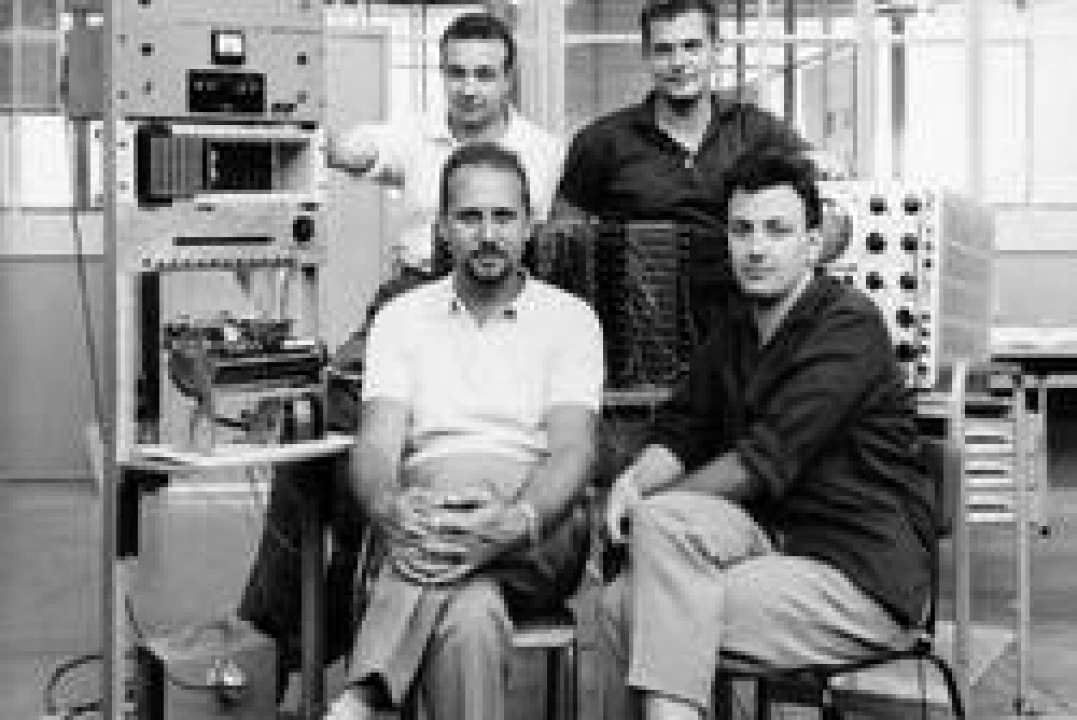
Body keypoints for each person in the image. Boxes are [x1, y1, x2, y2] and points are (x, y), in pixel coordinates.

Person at [596, 149, 934, 720]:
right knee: (632, 590)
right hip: (774, 543)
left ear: (813, 243)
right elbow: (685, 428)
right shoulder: (737, 323)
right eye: (742, 230)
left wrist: (646, 510)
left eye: (777, 231)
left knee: (638, 607)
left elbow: (761, 462)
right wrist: (633, 483)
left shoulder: (848, 324)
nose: (756, 248)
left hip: (858, 572)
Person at [323, 142, 603, 720]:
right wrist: (387, 503)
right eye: (470, 217)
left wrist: (514, 519)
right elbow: (376, 445)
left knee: (452, 504)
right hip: (426, 518)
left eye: (504, 217)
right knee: (470, 616)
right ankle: (368, 691)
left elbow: (573, 452)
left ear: (529, 226)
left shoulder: (571, 319)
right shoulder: (400, 319)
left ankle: (366, 690)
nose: (488, 234)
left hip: (539, 526)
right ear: (443, 229)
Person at [553, 0, 830, 336]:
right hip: (638, 335)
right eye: (664, 50)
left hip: (745, 329)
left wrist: (826, 169)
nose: (679, 63)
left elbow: (820, 210)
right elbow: (561, 248)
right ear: (646, 55)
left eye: (692, 46)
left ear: (716, 49)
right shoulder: (600, 142)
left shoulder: (760, 133)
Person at [327, 11, 564, 279]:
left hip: (509, 289)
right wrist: (327, 144)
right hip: (419, 283)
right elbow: (356, 147)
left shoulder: (548, 152)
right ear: (442, 73)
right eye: (457, 74)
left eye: (484, 75)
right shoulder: (413, 134)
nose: (469, 90)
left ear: (508, 79)